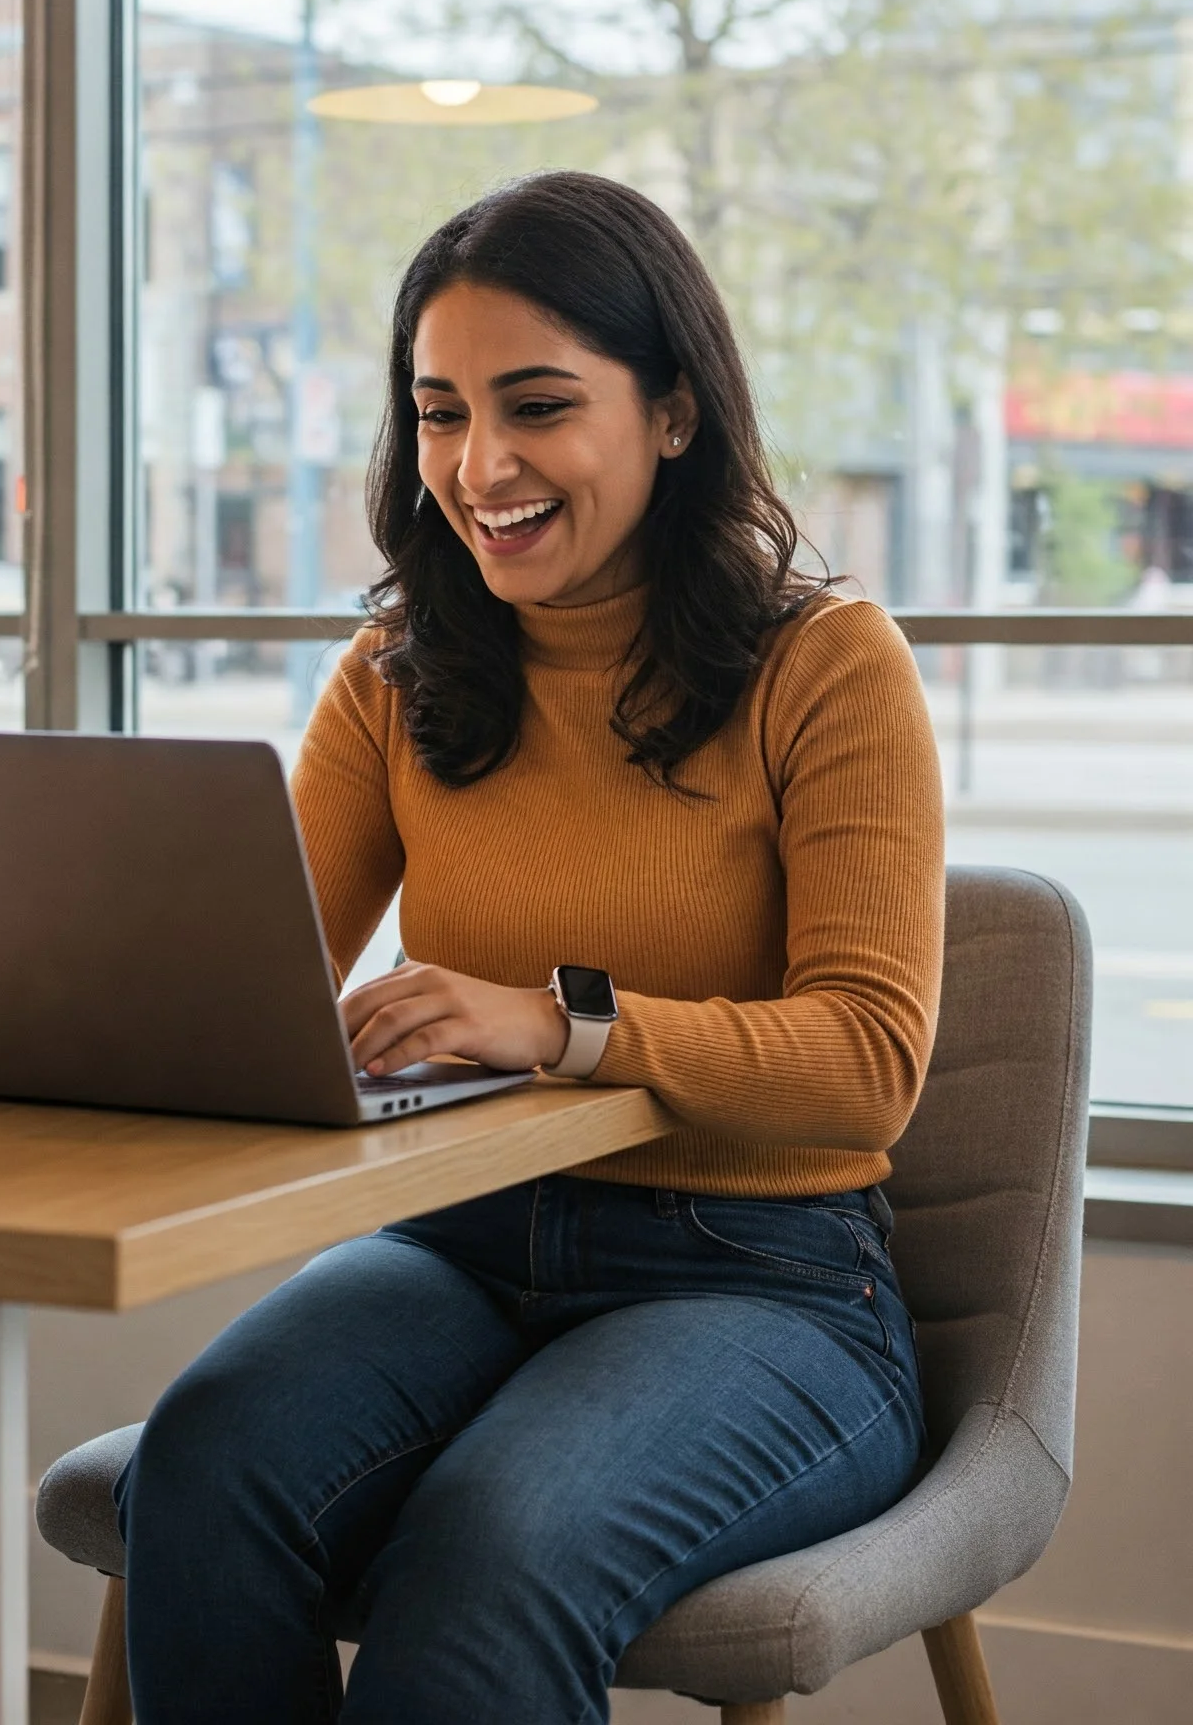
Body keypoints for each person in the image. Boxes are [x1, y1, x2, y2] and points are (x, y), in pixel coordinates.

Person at [116, 171, 944, 1723]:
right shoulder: (398, 673)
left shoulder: (826, 665)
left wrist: (562, 1026)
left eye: (537, 406)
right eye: (438, 413)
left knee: (488, 1552)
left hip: (763, 1285)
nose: (479, 465)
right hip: (459, 1238)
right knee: (203, 1466)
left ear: (675, 414)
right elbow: (247, 977)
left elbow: (869, 1067)